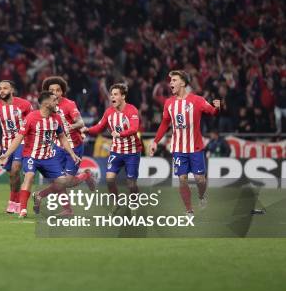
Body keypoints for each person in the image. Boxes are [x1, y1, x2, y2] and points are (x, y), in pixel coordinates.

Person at [0, 91, 81, 218]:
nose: (57, 102)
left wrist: (72, 153)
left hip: (49, 158)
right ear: (46, 103)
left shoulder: (56, 118)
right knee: (29, 176)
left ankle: (67, 210)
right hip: (31, 156)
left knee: (62, 182)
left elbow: (62, 137)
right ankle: (23, 210)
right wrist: (7, 154)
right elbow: (19, 137)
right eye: (54, 100)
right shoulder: (31, 117)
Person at [150, 70, 220, 216]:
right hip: (178, 148)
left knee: (200, 180)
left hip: (195, 147)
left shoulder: (197, 100)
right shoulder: (169, 103)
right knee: (182, 180)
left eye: (174, 80)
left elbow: (212, 112)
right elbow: (164, 124)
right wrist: (155, 141)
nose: (171, 83)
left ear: (182, 82)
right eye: (171, 80)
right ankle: (189, 210)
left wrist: (217, 107)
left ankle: (201, 196)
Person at [82, 83, 142, 197]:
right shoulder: (109, 112)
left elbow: (134, 129)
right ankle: (117, 203)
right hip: (116, 151)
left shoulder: (132, 110)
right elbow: (99, 127)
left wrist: (120, 134)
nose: (112, 97)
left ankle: (134, 204)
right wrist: (87, 130)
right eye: (111, 95)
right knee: (109, 179)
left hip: (132, 151)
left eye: (115, 94)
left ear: (123, 96)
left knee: (131, 183)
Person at [42, 76, 95, 189]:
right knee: (56, 180)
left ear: (63, 92)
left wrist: (71, 126)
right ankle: (66, 207)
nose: (55, 93)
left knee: (67, 182)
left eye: (58, 90)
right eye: (51, 91)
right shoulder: (45, 106)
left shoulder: (69, 104)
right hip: (58, 147)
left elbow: (80, 122)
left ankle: (86, 175)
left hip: (74, 146)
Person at [0, 80, 32, 214]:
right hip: (6, 144)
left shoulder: (24, 104)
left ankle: (14, 202)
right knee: (12, 176)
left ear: (11, 90)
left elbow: (33, 121)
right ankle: (15, 199)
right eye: (0, 88)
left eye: (5, 88)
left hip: (22, 142)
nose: (2, 91)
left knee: (15, 169)